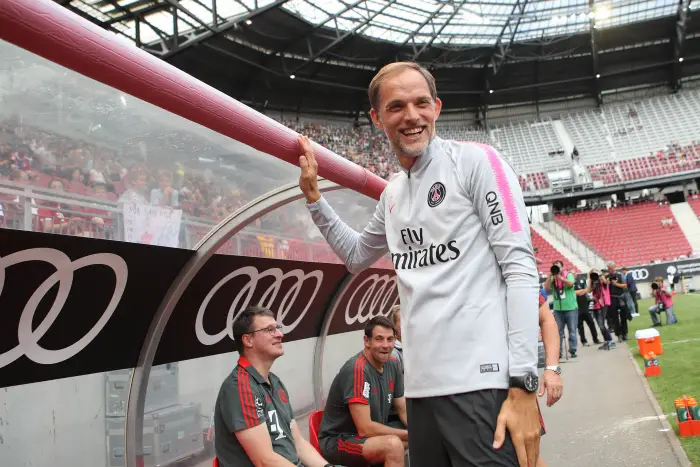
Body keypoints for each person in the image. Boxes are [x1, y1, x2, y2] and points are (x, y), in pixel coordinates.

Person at [298, 60, 541, 467]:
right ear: (377, 118)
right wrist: (314, 199)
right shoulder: (392, 193)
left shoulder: (477, 162)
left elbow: (519, 268)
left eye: (421, 103)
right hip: (422, 393)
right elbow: (357, 255)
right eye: (396, 107)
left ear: (437, 107)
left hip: (481, 385)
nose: (412, 116)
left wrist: (523, 384)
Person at [213, 306, 332, 467]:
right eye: (270, 330)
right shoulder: (240, 387)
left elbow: (299, 445)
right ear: (248, 340)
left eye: (277, 328)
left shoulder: (275, 382)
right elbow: (265, 461)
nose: (280, 334)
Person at [318, 317, 408, 467]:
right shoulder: (357, 370)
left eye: (390, 339)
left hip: (368, 435)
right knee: (393, 445)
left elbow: (402, 408)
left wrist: (417, 430)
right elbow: (365, 429)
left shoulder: (393, 364)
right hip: (340, 440)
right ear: (367, 341)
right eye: (379, 339)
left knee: (426, 430)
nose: (385, 345)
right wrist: (409, 435)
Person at [536, 288, 563, 467]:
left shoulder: (512, 272)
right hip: (438, 387)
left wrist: (552, 369)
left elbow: (546, 318)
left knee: (526, 456)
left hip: (508, 385)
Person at [544, 260, 578, 358]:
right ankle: (558, 352)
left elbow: (570, 284)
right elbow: (546, 288)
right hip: (558, 309)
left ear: (563, 267)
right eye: (555, 267)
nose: (557, 269)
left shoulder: (568, 275)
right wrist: (549, 276)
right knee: (558, 331)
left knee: (572, 330)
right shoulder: (552, 277)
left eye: (559, 267)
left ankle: (573, 350)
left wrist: (561, 278)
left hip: (570, 307)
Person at [606, 262, 630, 342]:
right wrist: (607, 283)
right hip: (612, 299)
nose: (610, 270)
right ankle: (618, 334)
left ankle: (625, 333)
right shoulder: (606, 277)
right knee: (614, 318)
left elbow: (625, 285)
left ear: (614, 267)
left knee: (624, 316)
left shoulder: (620, 275)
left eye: (611, 268)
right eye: (609, 268)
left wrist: (616, 284)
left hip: (621, 298)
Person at [574, 274, 599, 347]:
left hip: (585, 306)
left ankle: (595, 339)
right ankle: (584, 341)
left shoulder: (580, 282)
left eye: (574, 274)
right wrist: (582, 291)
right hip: (577, 308)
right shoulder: (569, 286)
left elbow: (587, 290)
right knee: (580, 326)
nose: (574, 276)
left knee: (591, 323)